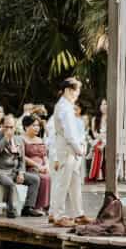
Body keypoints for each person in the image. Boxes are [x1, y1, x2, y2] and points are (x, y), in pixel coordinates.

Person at [48, 78, 88, 227]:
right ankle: (57, 215)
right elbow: (69, 132)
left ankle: (79, 213)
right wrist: (78, 149)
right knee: (63, 182)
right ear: (68, 90)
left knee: (74, 181)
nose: (77, 94)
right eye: (76, 91)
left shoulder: (66, 106)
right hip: (66, 148)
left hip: (69, 147)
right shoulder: (64, 107)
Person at [0, 114, 42, 218]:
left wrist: (21, 173)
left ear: (15, 127)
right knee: (9, 184)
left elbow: (21, 160)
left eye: (11, 127)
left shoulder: (18, 139)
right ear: (2, 126)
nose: (9, 129)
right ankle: (10, 210)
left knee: (35, 179)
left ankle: (28, 208)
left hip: (13, 171)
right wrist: (5, 139)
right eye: (6, 126)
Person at [22, 115, 51, 214]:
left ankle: (48, 206)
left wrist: (46, 166)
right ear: (26, 126)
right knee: (44, 178)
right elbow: (22, 157)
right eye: (34, 125)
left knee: (51, 176)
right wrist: (37, 166)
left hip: (43, 167)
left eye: (38, 125)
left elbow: (45, 156)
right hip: (29, 168)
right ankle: (37, 207)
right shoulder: (22, 139)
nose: (37, 128)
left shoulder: (40, 139)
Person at [87, 98, 107, 182]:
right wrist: (101, 139)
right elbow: (94, 134)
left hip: (108, 141)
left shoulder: (112, 118)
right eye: (102, 104)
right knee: (97, 146)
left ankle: (100, 174)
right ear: (99, 106)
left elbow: (112, 134)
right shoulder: (95, 119)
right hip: (98, 140)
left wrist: (104, 141)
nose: (104, 106)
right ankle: (98, 174)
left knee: (100, 145)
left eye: (106, 104)